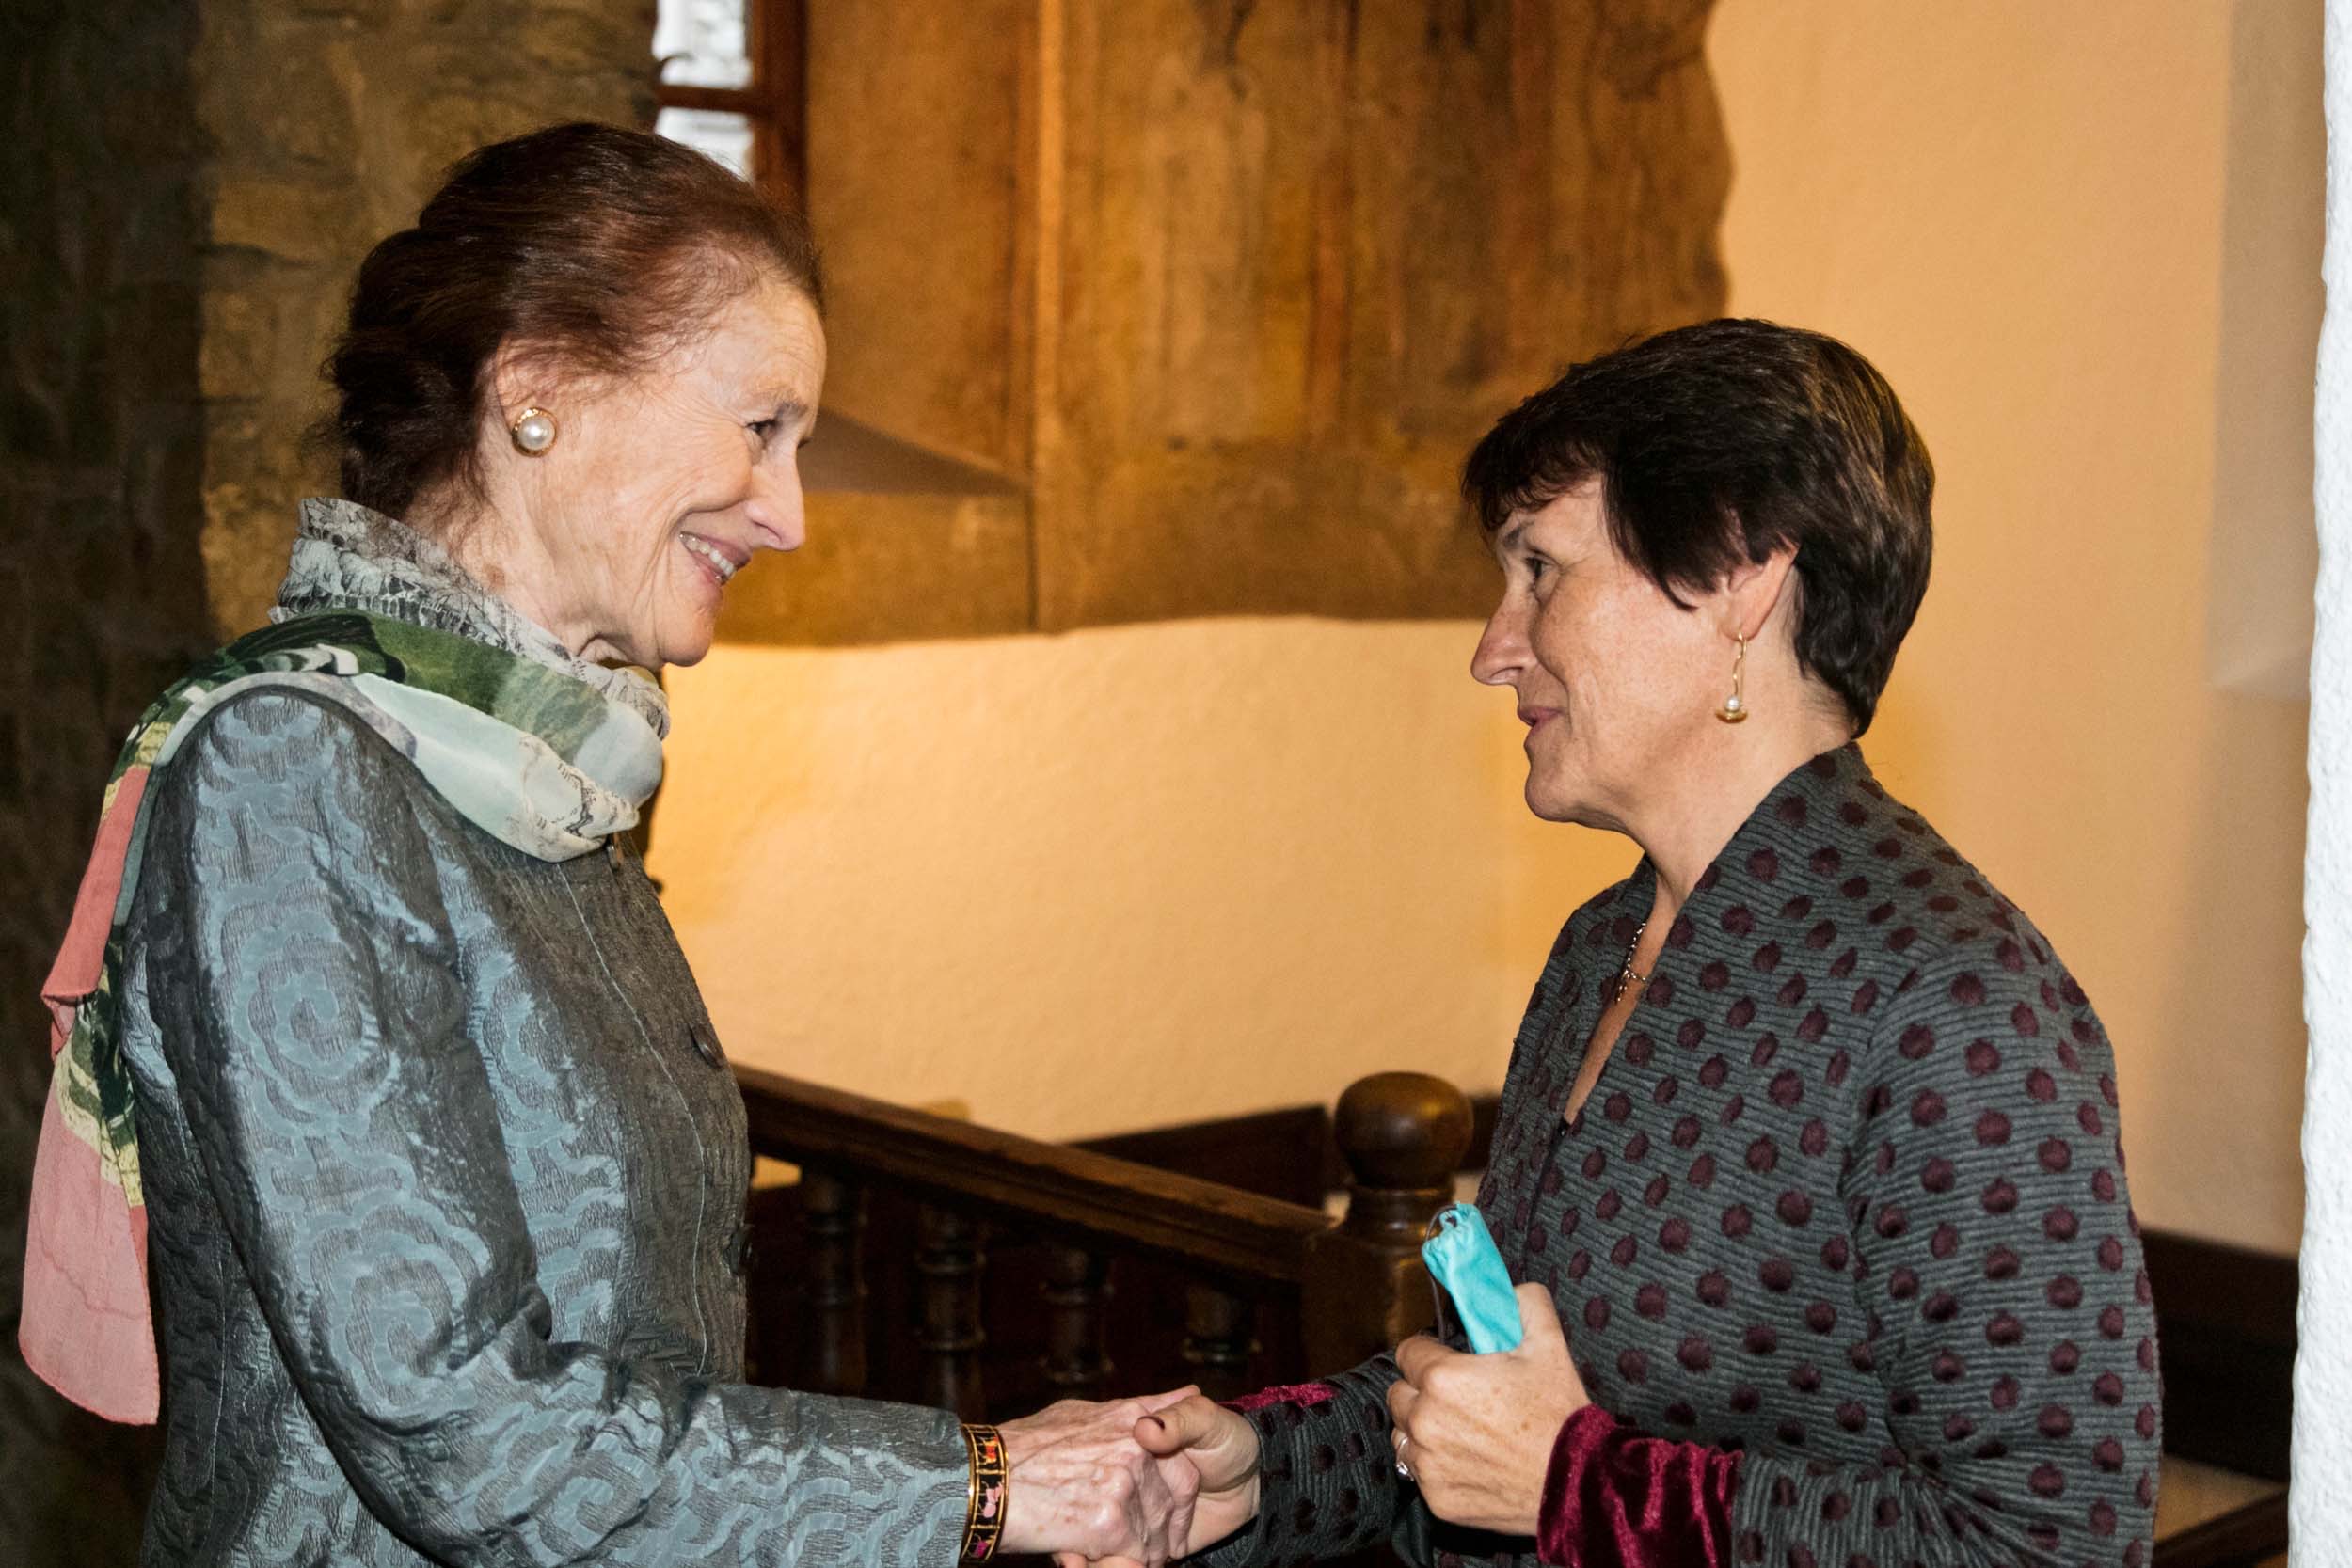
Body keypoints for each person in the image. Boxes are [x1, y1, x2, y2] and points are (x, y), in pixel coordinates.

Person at [17, 123, 1199, 1567]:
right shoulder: (291, 767)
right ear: (539, 395)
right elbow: (465, 1434)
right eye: (759, 427)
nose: (790, 515)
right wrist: (988, 1483)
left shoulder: (549, 762)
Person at [1131, 320, 2162, 1567]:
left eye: (1542, 570)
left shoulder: (1955, 1003)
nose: (1493, 648)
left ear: (1735, 577)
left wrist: (1580, 1487)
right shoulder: (1603, 944)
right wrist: (1265, 1470)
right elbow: (1495, 1411)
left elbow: (2053, 1543)